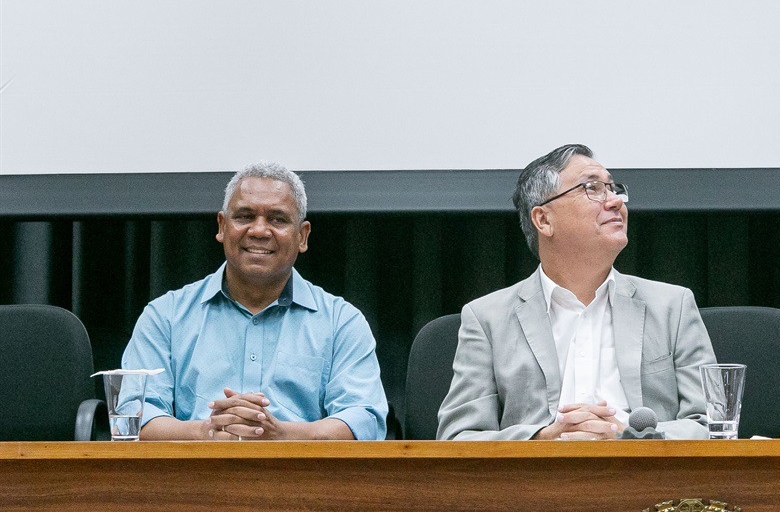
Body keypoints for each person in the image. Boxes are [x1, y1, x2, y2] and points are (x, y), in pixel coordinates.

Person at [437, 144, 715, 440]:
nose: (615, 202)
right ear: (543, 220)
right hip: (540, 480)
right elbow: (459, 436)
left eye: (614, 189)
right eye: (593, 188)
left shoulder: (672, 306)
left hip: (646, 478)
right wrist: (543, 439)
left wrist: (630, 437)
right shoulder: (487, 319)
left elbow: (714, 425)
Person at [123, 162, 388, 440]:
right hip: (190, 479)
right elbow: (134, 417)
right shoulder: (165, 316)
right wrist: (206, 431)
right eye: (245, 216)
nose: (259, 230)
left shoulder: (341, 322)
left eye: (277, 219)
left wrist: (280, 435)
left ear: (302, 236)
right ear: (222, 227)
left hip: (303, 479)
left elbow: (364, 420)